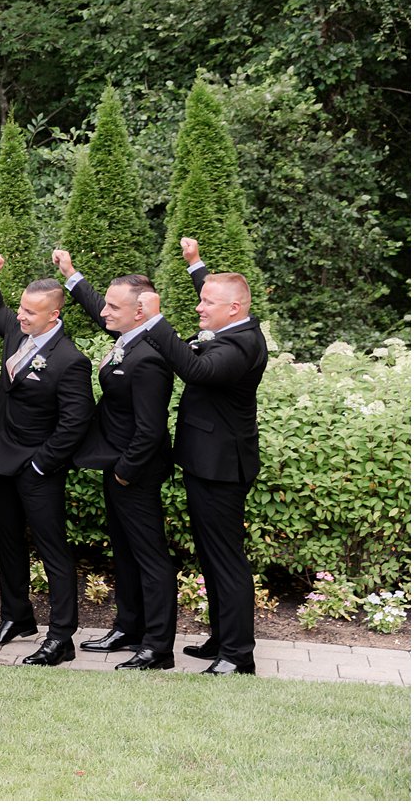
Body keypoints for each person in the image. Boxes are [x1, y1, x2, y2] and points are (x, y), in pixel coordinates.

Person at [141, 237, 267, 676]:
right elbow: (213, 293)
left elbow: (194, 370)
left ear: (234, 309)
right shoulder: (230, 324)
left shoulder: (241, 346)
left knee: (226, 557)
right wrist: (197, 265)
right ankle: (221, 637)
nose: (199, 307)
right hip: (203, 461)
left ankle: (238, 655)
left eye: (207, 302)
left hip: (221, 468)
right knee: (210, 555)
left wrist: (155, 320)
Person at [52, 250, 178, 671]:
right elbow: (98, 311)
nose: (103, 312)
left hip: (135, 471)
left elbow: (151, 428)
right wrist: (71, 276)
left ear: (140, 310)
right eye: (105, 302)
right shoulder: (129, 340)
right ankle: (129, 627)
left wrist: (125, 471)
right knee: (124, 551)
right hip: (118, 465)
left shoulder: (149, 358)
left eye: (113, 306)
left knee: (149, 556)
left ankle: (157, 646)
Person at [0, 249, 95, 667]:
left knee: (52, 550)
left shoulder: (70, 361)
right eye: (21, 308)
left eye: (30, 312)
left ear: (54, 317)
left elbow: (75, 422)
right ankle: (16, 616)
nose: (20, 316)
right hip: (2, 459)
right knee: (8, 543)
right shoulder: (16, 332)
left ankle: (61, 637)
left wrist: (43, 463)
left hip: (38, 468)